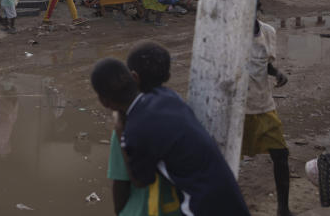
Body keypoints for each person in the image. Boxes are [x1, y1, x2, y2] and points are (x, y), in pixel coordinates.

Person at [91, 54, 250, 216]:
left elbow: (140, 180)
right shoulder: (168, 97)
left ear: (104, 102)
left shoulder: (134, 131)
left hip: (200, 206)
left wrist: (119, 130)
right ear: (134, 77)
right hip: (229, 195)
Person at [107, 41, 181, 216]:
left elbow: (120, 183)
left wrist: (120, 212)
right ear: (168, 76)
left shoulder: (125, 123)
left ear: (132, 77)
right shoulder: (180, 113)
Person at [243, 8, 293, 216]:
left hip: (263, 105)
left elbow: (265, 64)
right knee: (223, 159)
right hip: (236, 109)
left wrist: (276, 72)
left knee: (280, 154)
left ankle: (283, 208)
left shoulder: (268, 32)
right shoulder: (229, 34)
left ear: (256, 6)